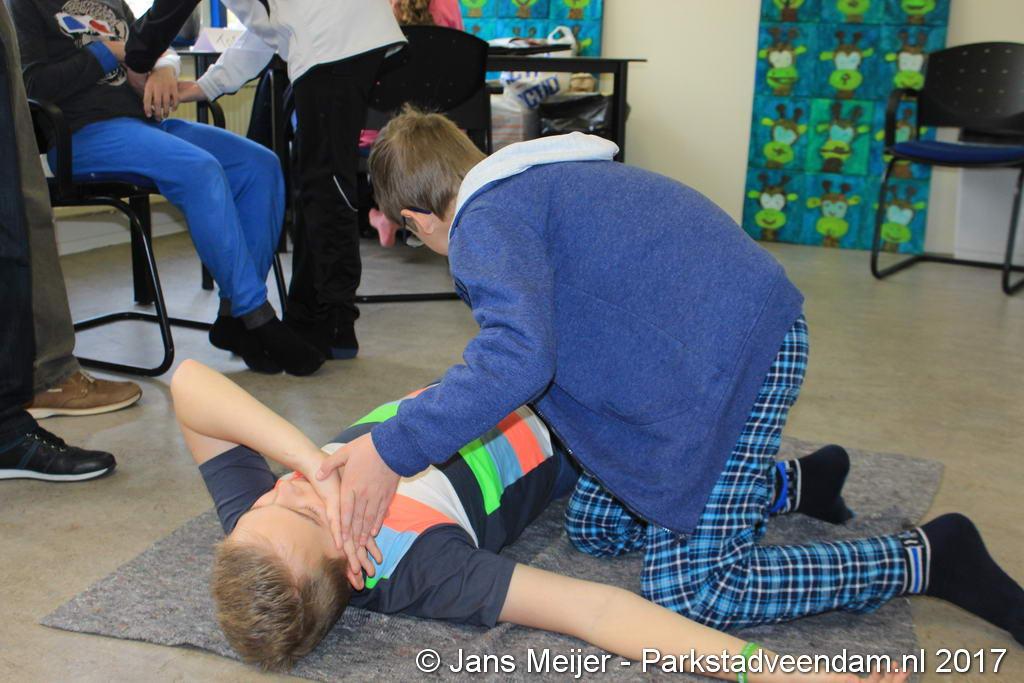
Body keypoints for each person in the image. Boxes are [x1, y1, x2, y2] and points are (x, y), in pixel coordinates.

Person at [317, 109, 1024, 645]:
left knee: (695, 591)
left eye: (415, 236)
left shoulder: (482, 223)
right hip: (718, 346)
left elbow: (516, 357)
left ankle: (928, 557)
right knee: (597, 526)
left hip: (735, 364)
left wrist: (392, 448)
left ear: (418, 218)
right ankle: (794, 484)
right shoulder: (530, 186)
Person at [171, 359, 909, 683]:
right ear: (356, 563)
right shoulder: (425, 570)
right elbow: (595, 609)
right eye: (308, 507)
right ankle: (790, 486)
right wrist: (778, 671)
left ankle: (797, 482)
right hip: (582, 427)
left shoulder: (263, 530)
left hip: (496, 378)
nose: (289, 488)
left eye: (266, 499)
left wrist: (309, 461)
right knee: (638, 508)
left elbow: (188, 384)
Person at [8, 0, 323, 377]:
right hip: (81, 134)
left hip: (144, 125)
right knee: (200, 169)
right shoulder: (24, 5)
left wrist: (162, 68)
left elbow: (153, 48)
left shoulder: (111, 2)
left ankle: (234, 318)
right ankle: (257, 314)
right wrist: (107, 52)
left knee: (260, 165)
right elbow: (31, 85)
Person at [173, 0, 407, 360]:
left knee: (327, 188)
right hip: (336, 41)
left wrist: (145, 57)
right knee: (317, 187)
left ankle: (334, 322)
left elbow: (174, 14)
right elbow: (267, 32)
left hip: (334, 45)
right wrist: (206, 85)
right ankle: (308, 315)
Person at [1, 0, 115, 482]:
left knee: (13, 215)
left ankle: (8, 422)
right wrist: (106, 55)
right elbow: (41, 80)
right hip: (87, 128)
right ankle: (12, 420)